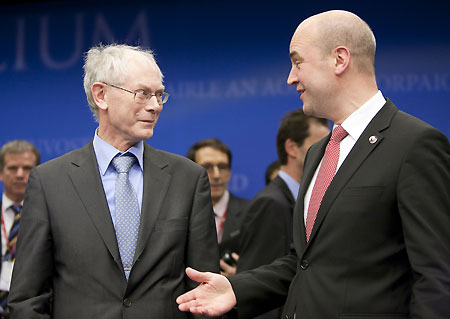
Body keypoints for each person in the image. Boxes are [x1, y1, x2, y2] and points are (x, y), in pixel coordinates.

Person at [176, 10, 450, 319]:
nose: (290, 77)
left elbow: (437, 276)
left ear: (339, 59)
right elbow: (303, 262)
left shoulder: (415, 144)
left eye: (297, 61)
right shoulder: (320, 151)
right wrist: (237, 288)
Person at [8, 44, 220, 319]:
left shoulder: (188, 179)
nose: (155, 106)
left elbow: (204, 293)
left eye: (159, 95)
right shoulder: (49, 182)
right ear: (101, 95)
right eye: (143, 94)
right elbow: (27, 298)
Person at [236, 110, 329, 318]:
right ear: (292, 148)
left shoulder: (304, 199)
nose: (330, 153)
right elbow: (259, 286)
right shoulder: (271, 203)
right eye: (321, 145)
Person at [186, 138, 249, 277]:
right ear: (191, 171)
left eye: (222, 167)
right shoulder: (178, 213)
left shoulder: (251, 213)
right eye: (207, 167)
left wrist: (241, 276)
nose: (216, 175)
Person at [0, 140, 40, 318]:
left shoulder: (55, 216)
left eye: (27, 168)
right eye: (12, 168)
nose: (19, 174)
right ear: (1, 173)